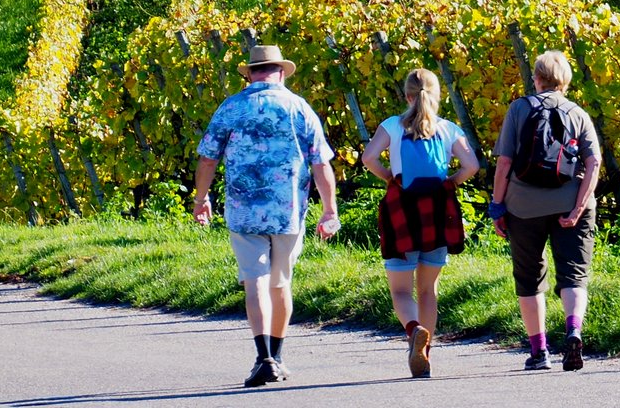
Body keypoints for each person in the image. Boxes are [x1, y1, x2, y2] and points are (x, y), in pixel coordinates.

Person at [192, 41, 339, 388]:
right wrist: (329, 208)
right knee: (281, 282)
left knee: (254, 280)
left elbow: (208, 159)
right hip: (288, 210)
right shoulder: (299, 108)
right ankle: (278, 355)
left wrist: (202, 199)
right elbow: (321, 163)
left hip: (244, 211)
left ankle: (263, 358)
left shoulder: (232, 107)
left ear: (251, 74)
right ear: (281, 73)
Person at [360, 68, 481, 378]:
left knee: (401, 291)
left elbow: (368, 158)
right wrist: (450, 182)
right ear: (436, 95)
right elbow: (472, 165)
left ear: (406, 96)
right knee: (428, 290)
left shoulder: (392, 126)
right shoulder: (448, 129)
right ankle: (425, 352)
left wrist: (388, 176)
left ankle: (414, 330)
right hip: (436, 207)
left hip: (402, 205)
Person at [489, 50, 601, 372]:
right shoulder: (578, 113)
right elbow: (593, 163)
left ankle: (539, 352)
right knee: (574, 275)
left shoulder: (519, 109)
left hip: (523, 207)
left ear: (537, 78)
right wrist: (579, 207)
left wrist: (498, 206)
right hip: (570, 203)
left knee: (529, 278)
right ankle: (573, 330)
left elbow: (505, 163)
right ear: (565, 80)